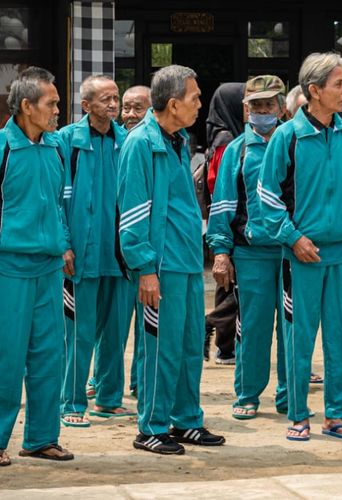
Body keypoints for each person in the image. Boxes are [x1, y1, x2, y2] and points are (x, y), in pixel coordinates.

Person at [0, 66, 74, 465]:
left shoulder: (56, 146)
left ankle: (41, 438)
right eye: (52, 103)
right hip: (6, 268)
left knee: (49, 355)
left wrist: (61, 245)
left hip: (47, 270)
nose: (58, 110)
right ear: (27, 106)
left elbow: (59, 204)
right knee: (5, 357)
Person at [117, 64, 225, 454]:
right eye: (195, 98)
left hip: (185, 263)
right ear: (174, 103)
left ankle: (186, 420)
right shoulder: (141, 143)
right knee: (157, 348)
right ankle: (151, 426)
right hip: (158, 267)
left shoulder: (178, 140)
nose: (201, 104)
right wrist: (144, 267)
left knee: (188, 345)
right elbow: (130, 213)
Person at [259, 52, 342, 441]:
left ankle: (337, 415)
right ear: (314, 91)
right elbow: (267, 198)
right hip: (302, 255)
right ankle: (298, 415)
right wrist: (293, 237)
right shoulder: (287, 136)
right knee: (299, 338)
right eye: (339, 84)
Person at [206, 75, 289, 419]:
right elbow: (222, 203)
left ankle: (290, 396)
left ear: (282, 107)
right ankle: (248, 395)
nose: (263, 111)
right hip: (251, 252)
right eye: (256, 105)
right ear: (245, 110)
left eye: (269, 104)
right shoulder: (236, 151)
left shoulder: (295, 143)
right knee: (252, 327)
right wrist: (221, 252)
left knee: (292, 328)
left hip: (291, 251)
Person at [58, 75, 135, 427]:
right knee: (79, 332)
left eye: (115, 97)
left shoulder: (127, 142)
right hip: (81, 257)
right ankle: (72, 402)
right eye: (105, 99)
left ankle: (108, 398)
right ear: (85, 106)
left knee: (116, 331)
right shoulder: (65, 143)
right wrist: (63, 244)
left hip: (119, 256)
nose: (113, 104)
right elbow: (53, 200)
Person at [203, 82, 245, 365]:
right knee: (240, 287)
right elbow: (220, 184)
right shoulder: (228, 140)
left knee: (228, 286)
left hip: (226, 222)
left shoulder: (221, 135)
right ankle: (209, 323)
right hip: (231, 221)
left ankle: (225, 348)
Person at [119, 84, 151, 400]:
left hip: (141, 250)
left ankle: (139, 381)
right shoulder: (116, 141)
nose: (129, 114)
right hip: (111, 253)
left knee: (146, 325)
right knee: (111, 326)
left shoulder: (154, 144)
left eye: (137, 107)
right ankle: (105, 381)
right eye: (126, 107)